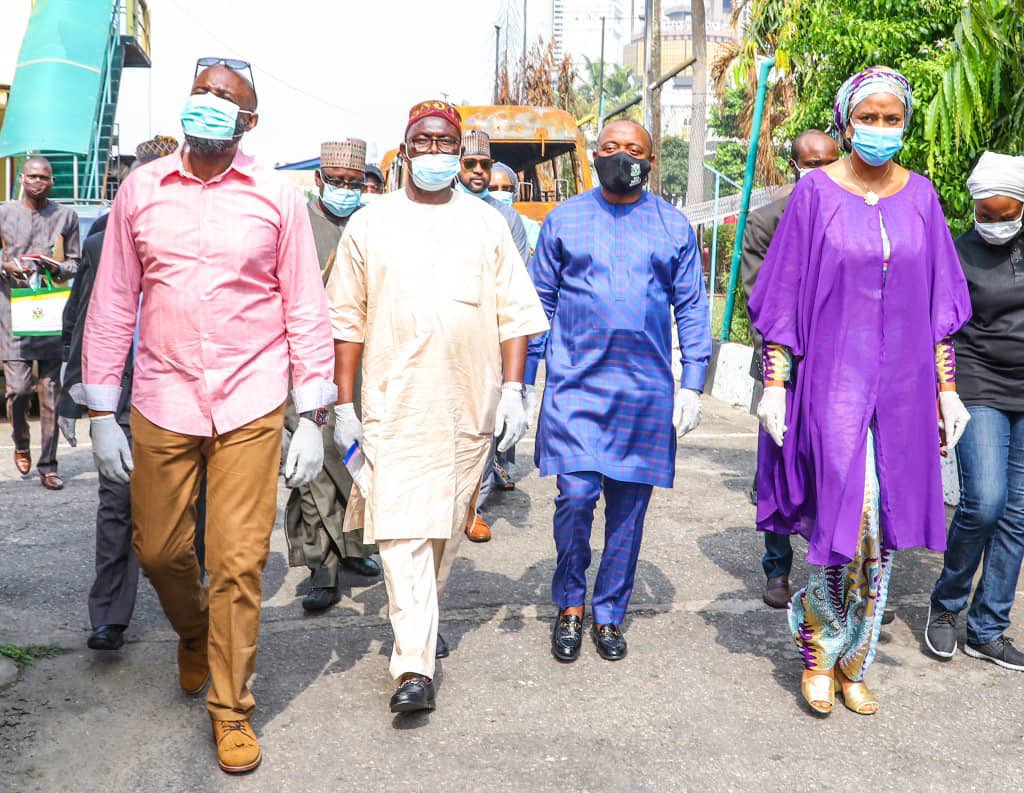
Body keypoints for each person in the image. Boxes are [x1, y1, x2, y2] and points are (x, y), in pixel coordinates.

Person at [79, 60, 336, 773]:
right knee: (160, 550)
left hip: (252, 400)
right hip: (162, 396)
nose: (211, 104)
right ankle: (193, 630)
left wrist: (313, 412)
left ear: (248, 123)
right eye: (204, 92)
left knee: (237, 561)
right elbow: (112, 305)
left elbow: (305, 308)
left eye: (228, 98)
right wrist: (101, 406)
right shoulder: (141, 190)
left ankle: (231, 708)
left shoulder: (277, 199)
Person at [749, 66, 972, 716]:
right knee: (847, 516)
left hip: (903, 389)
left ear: (904, 122)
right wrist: (775, 382)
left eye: (890, 118)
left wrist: (947, 389)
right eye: (868, 118)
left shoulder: (923, 197)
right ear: (847, 121)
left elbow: (938, 305)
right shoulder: (816, 193)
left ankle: (856, 659)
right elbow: (783, 294)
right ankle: (820, 645)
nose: (879, 130)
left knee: (883, 534)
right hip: (831, 384)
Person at [326, 100, 548, 713]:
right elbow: (345, 319)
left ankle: (419, 623)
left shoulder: (486, 224)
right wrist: (344, 403)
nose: (433, 151)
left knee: (444, 529)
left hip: (466, 406)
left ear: (459, 151)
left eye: (444, 141)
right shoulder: (370, 224)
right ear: (404, 149)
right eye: (421, 141)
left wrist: (514, 389)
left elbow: (515, 316)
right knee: (401, 531)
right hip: (392, 407)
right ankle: (412, 667)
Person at [531, 118, 711, 664]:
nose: (621, 156)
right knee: (577, 498)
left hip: (644, 394)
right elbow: (537, 303)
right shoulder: (563, 220)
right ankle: (570, 604)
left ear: (650, 161)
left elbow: (692, 307)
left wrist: (693, 383)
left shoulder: (673, 226)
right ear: (594, 156)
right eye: (610, 147)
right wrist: (516, 384)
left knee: (629, 514)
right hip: (575, 388)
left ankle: (609, 612)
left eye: (633, 149)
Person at [60, 136, 205, 652]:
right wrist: (73, 396)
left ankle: (195, 610)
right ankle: (109, 616)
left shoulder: (201, 241)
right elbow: (80, 321)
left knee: (194, 508)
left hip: (187, 395)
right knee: (117, 504)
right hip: (122, 398)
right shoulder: (100, 245)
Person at [925, 152, 1024, 672]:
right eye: (984, 214)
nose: (992, 224)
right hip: (979, 384)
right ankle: (946, 606)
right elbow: (941, 326)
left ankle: (988, 628)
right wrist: (945, 395)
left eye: (1004, 213)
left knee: (1017, 515)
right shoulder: (957, 253)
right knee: (984, 503)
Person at [740, 130, 840, 609]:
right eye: (809, 163)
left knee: (835, 469)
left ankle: (836, 575)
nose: (818, 171)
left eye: (828, 162)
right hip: (784, 369)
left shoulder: (853, 216)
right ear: (793, 166)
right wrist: (779, 372)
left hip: (839, 370)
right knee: (776, 469)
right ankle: (777, 569)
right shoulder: (766, 222)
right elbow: (760, 303)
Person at [287, 138, 379, 614]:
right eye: (336, 182)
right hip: (304, 360)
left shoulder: (372, 224)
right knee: (313, 470)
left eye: (353, 183)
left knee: (351, 457)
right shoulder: (298, 222)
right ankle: (321, 568)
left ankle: (355, 548)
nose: (345, 190)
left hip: (360, 363)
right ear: (318, 180)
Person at [455, 129, 531, 543]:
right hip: (439, 340)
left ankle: (473, 507)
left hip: (487, 340)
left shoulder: (507, 219)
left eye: (485, 165)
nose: (479, 173)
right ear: (457, 167)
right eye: (471, 164)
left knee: (484, 426)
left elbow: (518, 286)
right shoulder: (438, 211)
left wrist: (518, 378)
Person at [0, 156, 80, 490]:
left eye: (44, 177)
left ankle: (48, 465)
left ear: (52, 181)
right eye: (32, 176)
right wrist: (6, 266)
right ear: (21, 178)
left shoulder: (66, 215)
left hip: (49, 310)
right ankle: (21, 441)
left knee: (50, 391)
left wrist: (60, 268)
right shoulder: (4, 212)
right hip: (12, 311)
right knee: (19, 390)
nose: (38, 182)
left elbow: (76, 261)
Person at [490, 162, 541, 254]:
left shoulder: (529, 227)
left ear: (515, 192)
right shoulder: (476, 224)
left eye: (507, 189)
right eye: (493, 188)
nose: (500, 193)